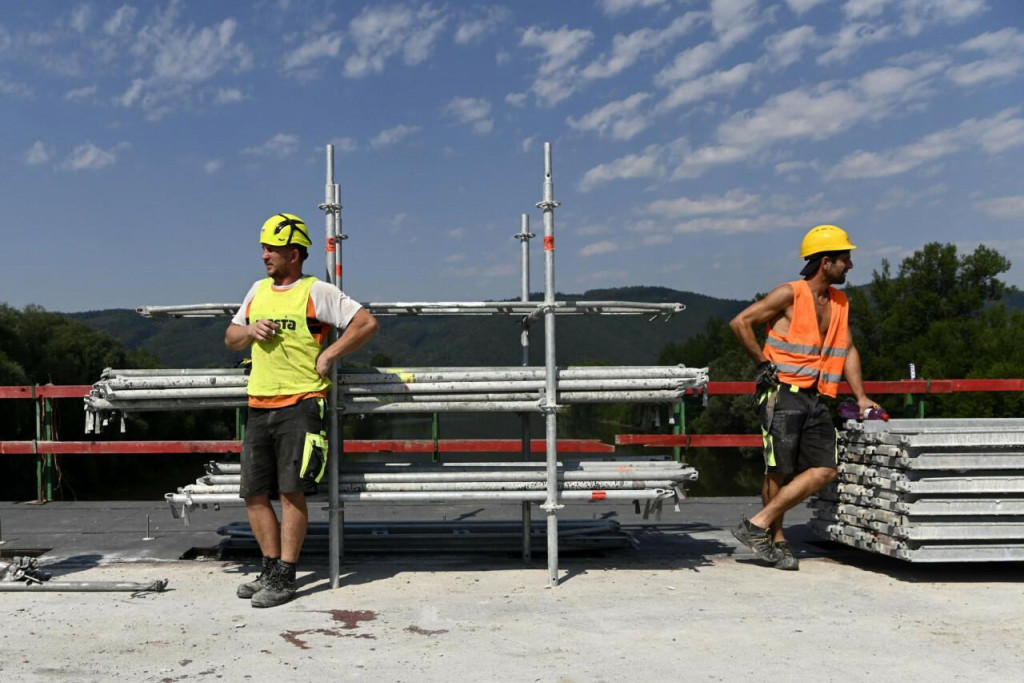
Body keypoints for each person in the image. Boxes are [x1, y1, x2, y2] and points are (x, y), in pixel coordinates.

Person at [225, 212, 379, 607]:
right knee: (254, 493)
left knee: (291, 492)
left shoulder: (317, 291)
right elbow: (230, 337)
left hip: (302, 403)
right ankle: (270, 567)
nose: (264, 256)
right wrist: (249, 331)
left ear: (294, 253)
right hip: (259, 403)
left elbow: (365, 324)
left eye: (271, 250)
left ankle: (285, 577)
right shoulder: (257, 291)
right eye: (263, 249)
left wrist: (330, 353)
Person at [728, 224, 879, 571]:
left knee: (825, 469)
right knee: (778, 470)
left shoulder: (840, 302)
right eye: (845, 260)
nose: (850, 267)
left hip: (814, 396)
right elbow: (741, 322)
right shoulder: (789, 294)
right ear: (826, 262)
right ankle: (777, 541)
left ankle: (756, 525)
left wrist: (861, 396)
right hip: (781, 394)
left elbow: (848, 347)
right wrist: (763, 363)